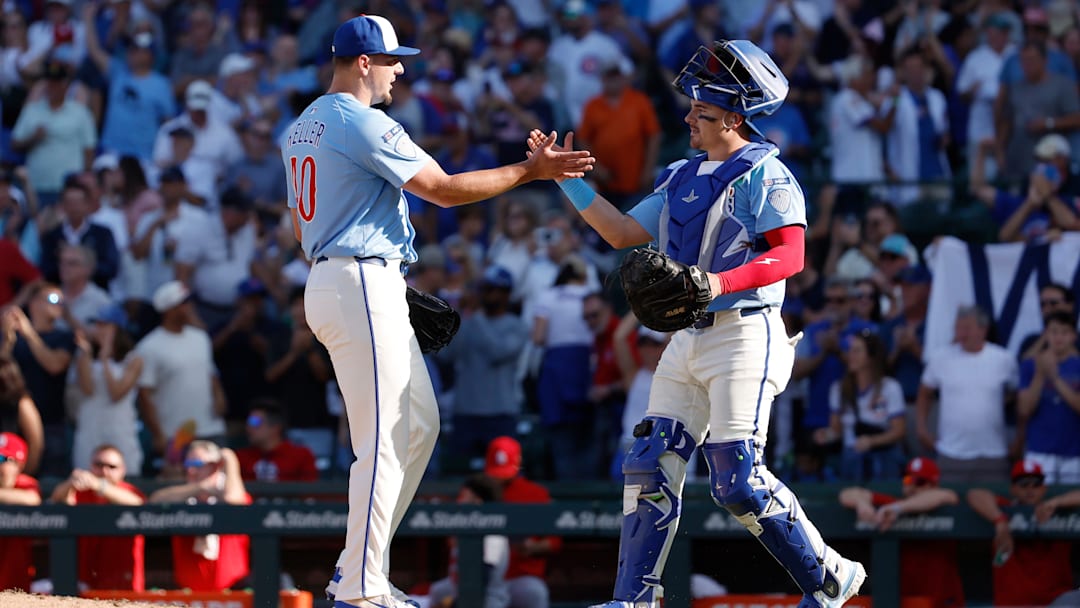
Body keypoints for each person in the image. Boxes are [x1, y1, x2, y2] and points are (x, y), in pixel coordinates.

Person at [528, 39, 865, 607]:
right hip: (687, 335)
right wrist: (566, 179)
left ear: (734, 118)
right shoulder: (682, 174)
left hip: (746, 331)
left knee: (739, 480)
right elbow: (618, 232)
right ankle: (634, 599)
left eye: (702, 113)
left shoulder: (769, 175)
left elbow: (790, 256)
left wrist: (717, 283)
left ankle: (829, 577)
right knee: (649, 460)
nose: (688, 117)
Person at [285, 15, 593, 608]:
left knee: (419, 427)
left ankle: (358, 569)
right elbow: (443, 188)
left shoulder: (303, 124)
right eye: (393, 59)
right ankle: (360, 586)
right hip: (358, 281)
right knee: (382, 440)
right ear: (364, 63)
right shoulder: (359, 120)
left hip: (348, 278)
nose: (401, 69)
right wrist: (528, 171)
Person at [837, 457, 964, 608]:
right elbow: (848, 493)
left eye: (920, 482)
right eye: (909, 480)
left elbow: (947, 496)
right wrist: (862, 505)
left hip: (941, 599)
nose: (912, 487)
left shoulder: (939, 504)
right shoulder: (892, 504)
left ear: (933, 485)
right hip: (904, 599)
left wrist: (898, 509)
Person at [967, 460, 1079, 607]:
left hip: (1055, 602)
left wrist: (1057, 502)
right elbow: (974, 494)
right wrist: (1000, 521)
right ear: (1013, 488)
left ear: (1044, 488)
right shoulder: (1001, 508)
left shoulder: (1059, 510)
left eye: (1036, 484)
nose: (1030, 490)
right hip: (1012, 603)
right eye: (1024, 484)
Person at [148, 440, 251, 592]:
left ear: (215, 466)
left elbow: (234, 500)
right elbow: (155, 501)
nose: (191, 470)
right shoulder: (181, 496)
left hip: (232, 594)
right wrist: (199, 488)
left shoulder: (229, 493)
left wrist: (230, 461)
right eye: (188, 464)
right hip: (188, 595)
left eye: (197, 464)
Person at [50, 443, 145, 591]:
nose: (104, 471)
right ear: (90, 466)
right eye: (99, 465)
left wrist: (99, 486)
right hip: (85, 584)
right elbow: (56, 499)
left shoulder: (129, 491)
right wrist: (70, 483)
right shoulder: (82, 492)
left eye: (111, 467)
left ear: (123, 470)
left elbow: (138, 505)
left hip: (123, 584)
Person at [482, 436, 561, 608]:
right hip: (484, 578)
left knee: (535, 592)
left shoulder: (536, 493)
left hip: (521, 577)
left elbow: (554, 541)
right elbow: (454, 540)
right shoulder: (476, 491)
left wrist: (532, 547)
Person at [427, 474, 511, 608]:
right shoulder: (463, 528)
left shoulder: (494, 533)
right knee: (437, 591)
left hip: (488, 599)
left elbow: (483, 576)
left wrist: (454, 603)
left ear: (477, 501)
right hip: (460, 593)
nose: (460, 501)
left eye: (464, 496)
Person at [235, 399, 318, 482]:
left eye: (255, 422)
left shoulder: (301, 456)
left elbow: (310, 492)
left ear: (275, 427)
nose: (249, 428)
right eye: (248, 422)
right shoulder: (240, 457)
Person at [0, 432, 40, 592]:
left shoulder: (26, 485)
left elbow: (33, 499)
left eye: (3, 459)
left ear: (20, 465)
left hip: (17, 586)